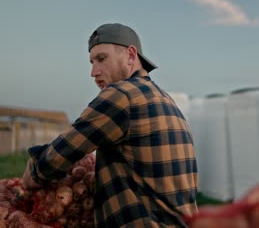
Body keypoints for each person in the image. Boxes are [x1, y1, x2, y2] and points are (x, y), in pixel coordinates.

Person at [22, 23, 199, 227]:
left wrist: (33, 173)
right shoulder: (166, 101)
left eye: (101, 59)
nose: (93, 72)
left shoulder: (122, 95)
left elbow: (61, 153)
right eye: (91, 62)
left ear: (131, 56)